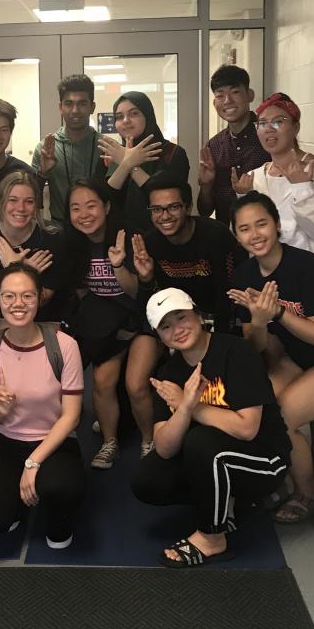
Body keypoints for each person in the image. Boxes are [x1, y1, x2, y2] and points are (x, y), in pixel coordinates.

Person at [229, 192, 314, 524]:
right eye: (245, 229)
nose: (255, 235)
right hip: (298, 356)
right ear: (236, 235)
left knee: (283, 415)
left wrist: (278, 312)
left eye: (261, 224)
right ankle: (292, 478)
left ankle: (305, 494)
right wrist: (259, 322)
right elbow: (256, 344)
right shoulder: (245, 276)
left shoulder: (307, 267)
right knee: (262, 408)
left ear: (277, 225)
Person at [130, 288, 290, 567]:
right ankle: (227, 503)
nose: (177, 330)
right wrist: (183, 409)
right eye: (166, 326)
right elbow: (164, 448)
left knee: (201, 441)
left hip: (265, 459)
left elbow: (247, 429)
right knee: (148, 478)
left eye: (181, 317)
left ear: (198, 315)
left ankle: (212, 538)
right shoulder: (170, 372)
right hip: (215, 456)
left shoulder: (237, 352)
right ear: (159, 336)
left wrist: (193, 406)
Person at [126, 172, 244, 455]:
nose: (164, 216)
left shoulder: (215, 235)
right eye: (157, 209)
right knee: (135, 382)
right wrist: (145, 278)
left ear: (188, 206)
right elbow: (148, 303)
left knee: (217, 382)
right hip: (166, 322)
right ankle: (150, 441)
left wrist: (217, 346)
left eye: (173, 207)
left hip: (212, 321)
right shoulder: (150, 242)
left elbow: (229, 293)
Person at [0, 262, 86, 548]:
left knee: (60, 488)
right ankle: (16, 502)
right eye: (9, 296)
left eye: (27, 296)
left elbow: (71, 417)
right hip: (7, 440)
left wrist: (32, 462)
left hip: (54, 440)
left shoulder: (64, 346)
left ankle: (58, 516)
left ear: (39, 298)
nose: (18, 303)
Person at [231, 92, 314, 280]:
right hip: (268, 281)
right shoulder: (255, 177)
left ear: (296, 127)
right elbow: (246, 234)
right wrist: (244, 198)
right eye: (262, 123)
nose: (269, 129)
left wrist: (302, 188)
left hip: (312, 280)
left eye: (278, 122)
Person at [64, 178, 141, 469]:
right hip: (102, 324)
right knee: (88, 375)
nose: (84, 214)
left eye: (91, 206)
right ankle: (106, 440)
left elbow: (137, 292)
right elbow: (79, 292)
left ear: (107, 207)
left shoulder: (128, 238)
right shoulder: (74, 244)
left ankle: (134, 440)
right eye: (75, 208)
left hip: (135, 320)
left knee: (120, 381)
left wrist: (118, 264)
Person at [0, 170, 65, 337]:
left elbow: (43, 299)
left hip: (43, 320)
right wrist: (20, 268)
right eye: (13, 200)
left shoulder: (53, 237)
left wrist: (13, 268)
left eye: (29, 201)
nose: (20, 208)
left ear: (36, 205)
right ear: (1, 202)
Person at [98, 90, 190, 234]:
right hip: (122, 237)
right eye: (119, 116)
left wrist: (127, 162)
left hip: (164, 234)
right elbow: (106, 200)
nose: (126, 120)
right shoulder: (112, 154)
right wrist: (125, 162)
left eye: (134, 113)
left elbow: (163, 199)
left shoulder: (172, 153)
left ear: (148, 115)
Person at [196, 65, 265, 224]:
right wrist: (206, 185)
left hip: (266, 233)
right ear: (214, 103)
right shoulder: (214, 145)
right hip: (226, 236)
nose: (227, 100)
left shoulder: (268, 136)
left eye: (235, 92)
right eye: (220, 95)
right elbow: (205, 211)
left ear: (250, 95)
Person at [31, 74, 103, 223]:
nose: (75, 110)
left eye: (82, 104)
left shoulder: (106, 147)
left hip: (98, 227)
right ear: (60, 107)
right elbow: (32, 199)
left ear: (92, 107)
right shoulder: (46, 149)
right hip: (60, 227)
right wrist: (43, 174)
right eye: (69, 104)